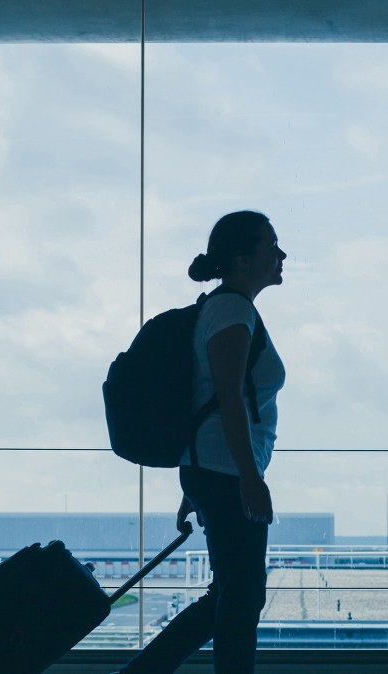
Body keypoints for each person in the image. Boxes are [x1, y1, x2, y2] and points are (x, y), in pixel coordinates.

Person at [118, 210, 287, 674]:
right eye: (270, 246)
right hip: (228, 472)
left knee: (230, 593)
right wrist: (250, 480)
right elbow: (228, 397)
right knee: (242, 595)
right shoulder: (233, 310)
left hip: (213, 470)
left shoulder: (225, 308)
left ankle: (139, 673)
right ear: (241, 259)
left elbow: (205, 399)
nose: (281, 255)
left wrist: (197, 485)